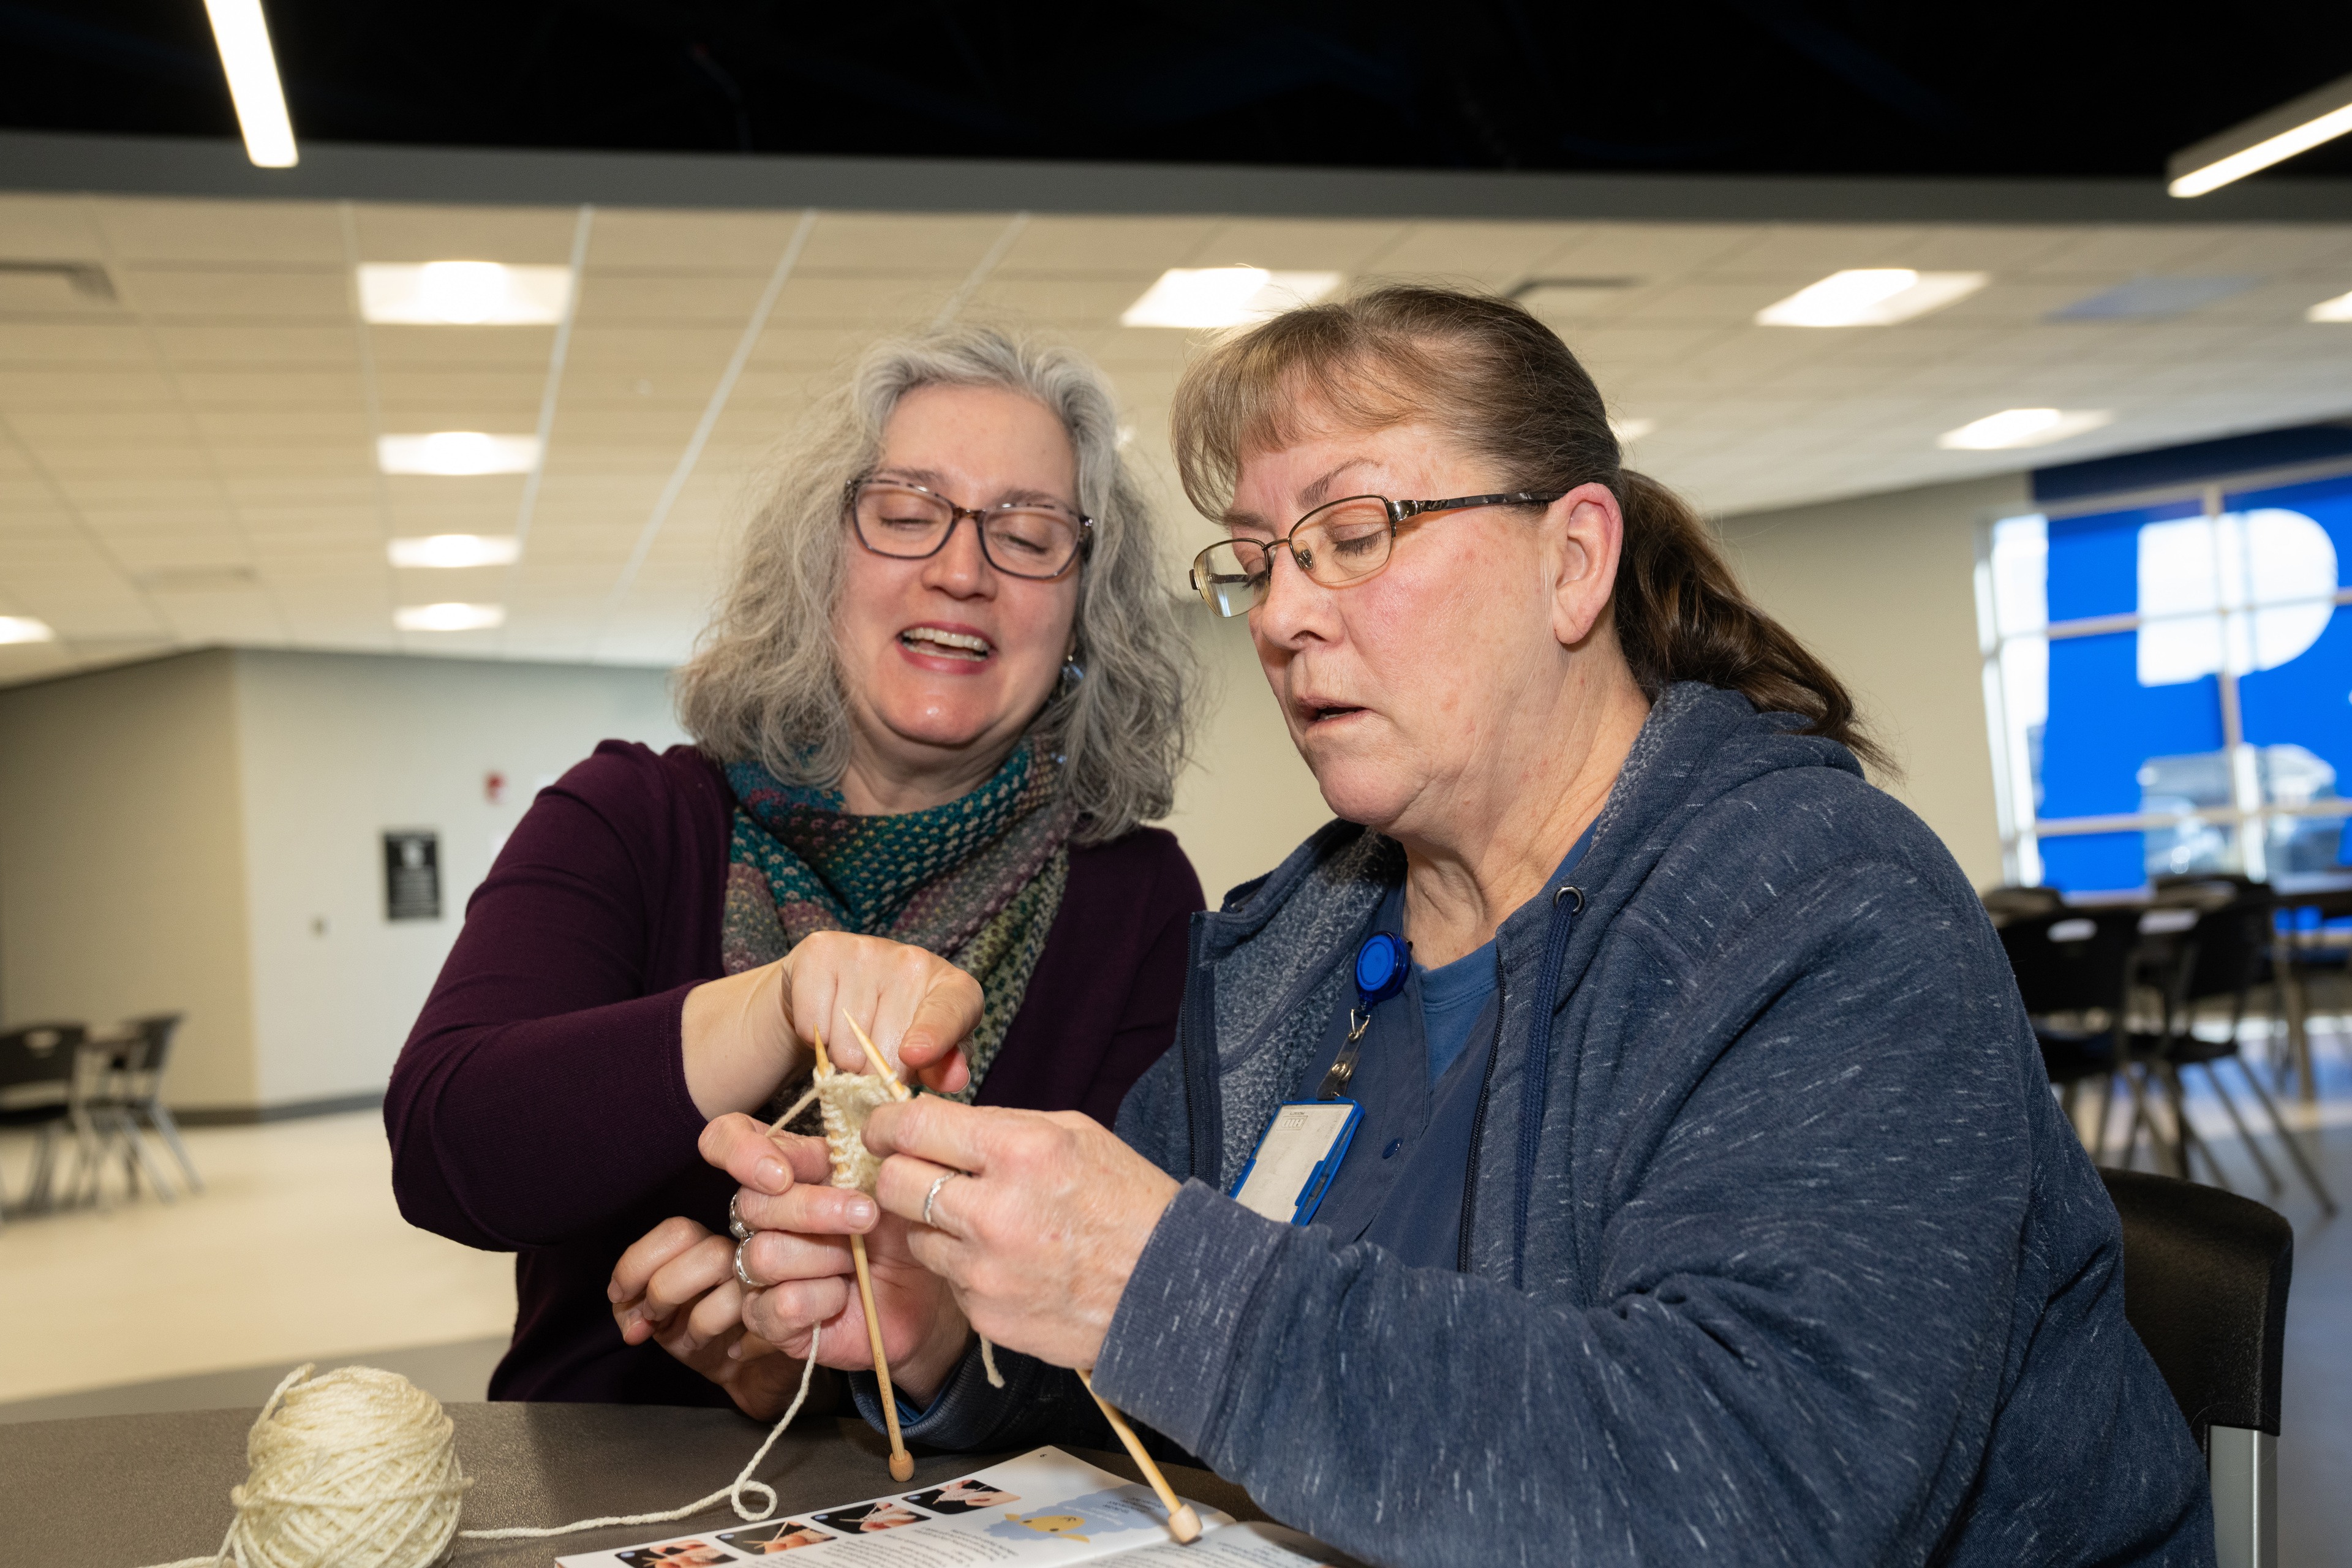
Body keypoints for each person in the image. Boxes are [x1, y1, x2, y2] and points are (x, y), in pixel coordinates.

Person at [709, 287, 2212, 1565]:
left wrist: (1161, 1282)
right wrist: (946, 1329)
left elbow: (1758, 1489)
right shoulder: (1288, 949)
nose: (1288, 613)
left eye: (1354, 531)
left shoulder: (1816, 906)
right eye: (1259, 559)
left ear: (1573, 558)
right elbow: (1146, 1363)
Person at [386, 324, 1202, 1414]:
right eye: (906, 515)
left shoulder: (1134, 898)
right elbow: (450, 1154)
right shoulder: (633, 818)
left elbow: (1146, 1334)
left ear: (1083, 608)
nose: (962, 571)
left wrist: (916, 1341)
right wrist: (773, 1006)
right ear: (819, 564)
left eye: (1029, 534)